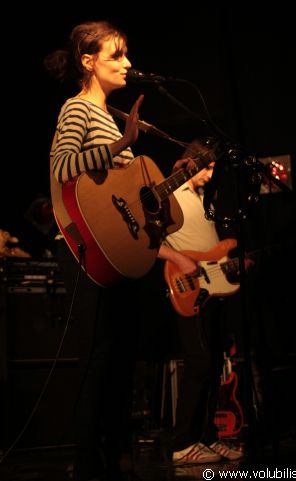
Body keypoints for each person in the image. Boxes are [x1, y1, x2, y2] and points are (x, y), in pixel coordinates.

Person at [44, 19, 194, 481]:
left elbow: (123, 197)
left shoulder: (108, 116)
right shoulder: (78, 110)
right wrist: (121, 144)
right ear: (88, 62)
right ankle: (90, 465)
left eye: (127, 54)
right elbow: (63, 166)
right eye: (116, 55)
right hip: (88, 257)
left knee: (122, 364)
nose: (128, 64)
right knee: (99, 361)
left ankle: (114, 461)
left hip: (120, 257)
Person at [158, 138, 247, 464]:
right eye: (206, 168)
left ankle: (207, 437)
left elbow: (209, 250)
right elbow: (146, 240)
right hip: (186, 287)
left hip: (213, 288)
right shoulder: (170, 196)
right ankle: (182, 444)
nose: (210, 175)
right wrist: (180, 261)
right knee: (199, 363)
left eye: (213, 168)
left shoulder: (202, 199)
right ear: (189, 163)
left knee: (212, 365)